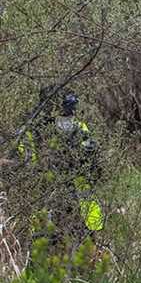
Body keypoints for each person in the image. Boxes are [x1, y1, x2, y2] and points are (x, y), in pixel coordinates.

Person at [16, 90, 103, 248]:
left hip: (79, 205)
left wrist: (88, 154)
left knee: (81, 249)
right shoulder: (34, 132)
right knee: (46, 248)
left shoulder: (81, 128)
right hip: (48, 200)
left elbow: (95, 168)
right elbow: (27, 166)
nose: (69, 113)